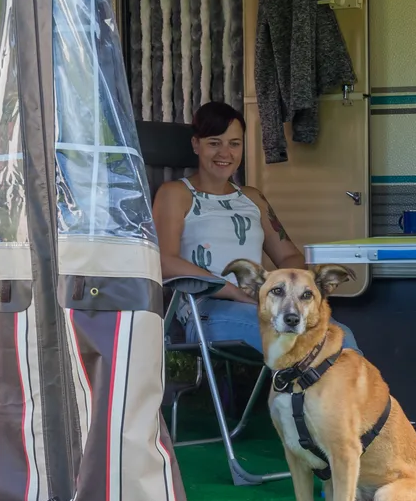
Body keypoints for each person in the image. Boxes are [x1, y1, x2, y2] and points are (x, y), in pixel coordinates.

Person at [153, 101, 359, 352]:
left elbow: (288, 255)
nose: (225, 153)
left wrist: (298, 291)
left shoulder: (252, 198)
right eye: (214, 143)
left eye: (234, 144)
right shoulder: (175, 194)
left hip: (262, 303)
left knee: (341, 335)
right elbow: (164, 261)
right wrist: (234, 291)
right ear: (196, 144)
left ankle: (355, 392)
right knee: (315, 343)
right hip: (205, 308)